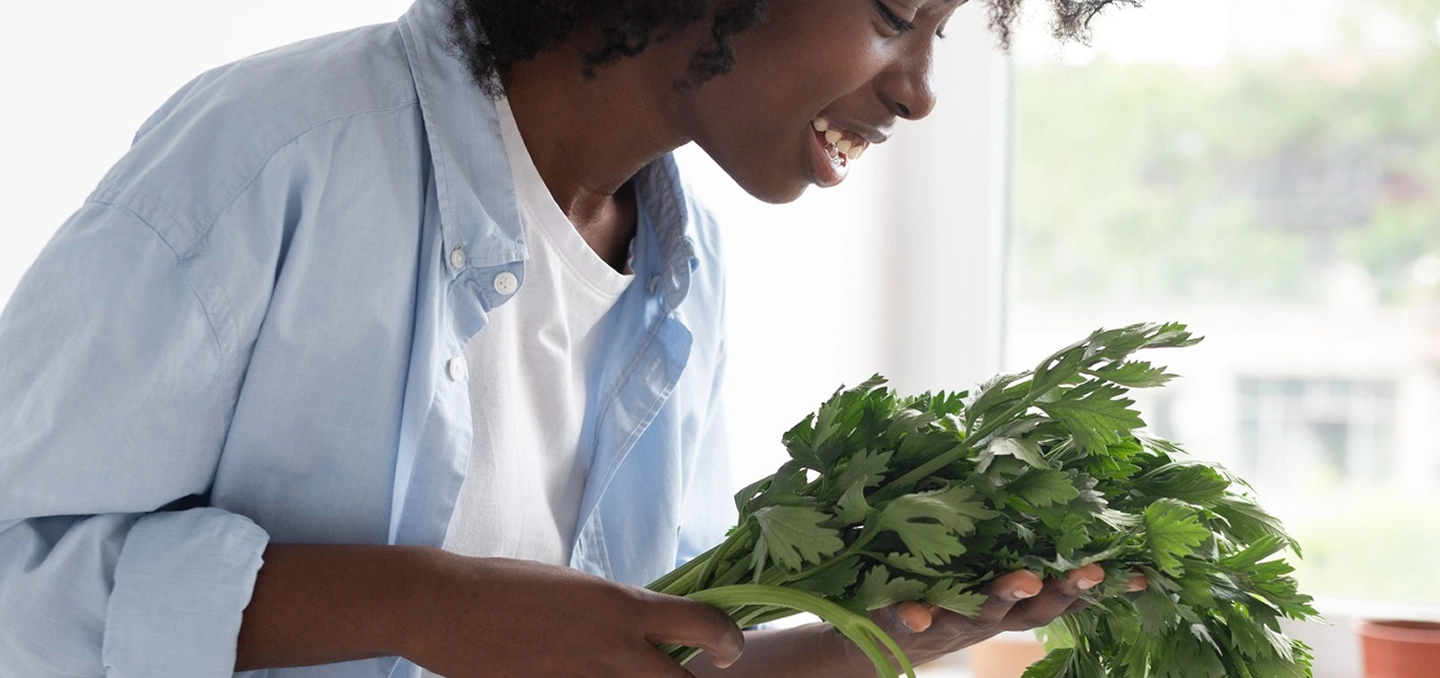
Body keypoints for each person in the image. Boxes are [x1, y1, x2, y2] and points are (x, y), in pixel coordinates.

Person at [0, 0, 1141, 676]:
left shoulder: (676, 272)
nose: (921, 94)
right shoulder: (281, 150)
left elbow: (622, 655)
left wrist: (880, 637)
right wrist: (426, 602)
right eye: (899, 15)